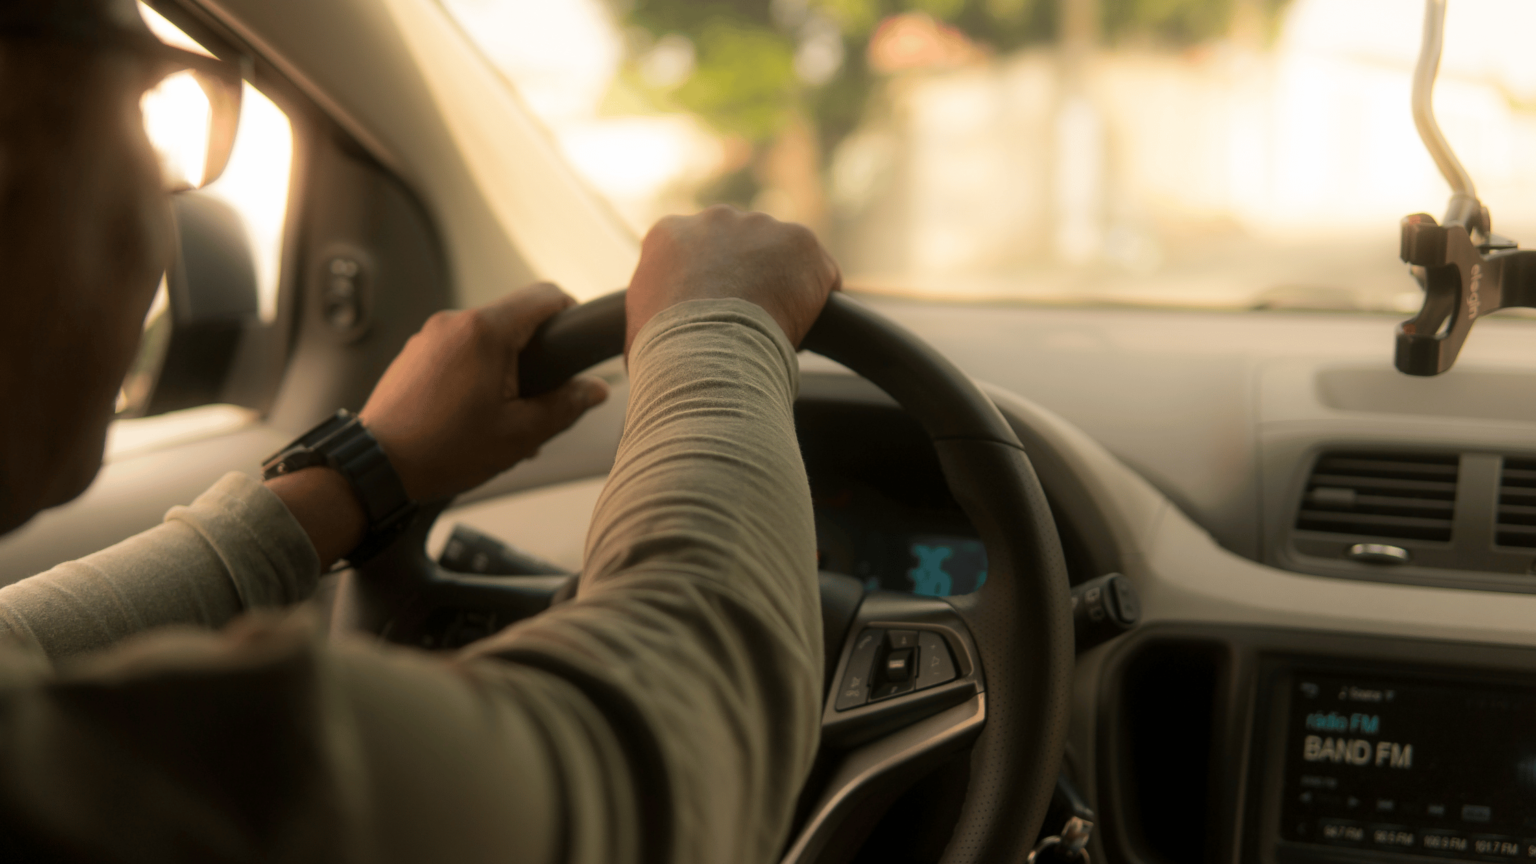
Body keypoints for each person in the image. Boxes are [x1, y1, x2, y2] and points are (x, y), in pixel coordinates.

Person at [0, 1, 840, 861]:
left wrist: (366, 472)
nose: (164, 217)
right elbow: (655, 752)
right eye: (146, 109)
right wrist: (719, 326)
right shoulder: (129, 789)